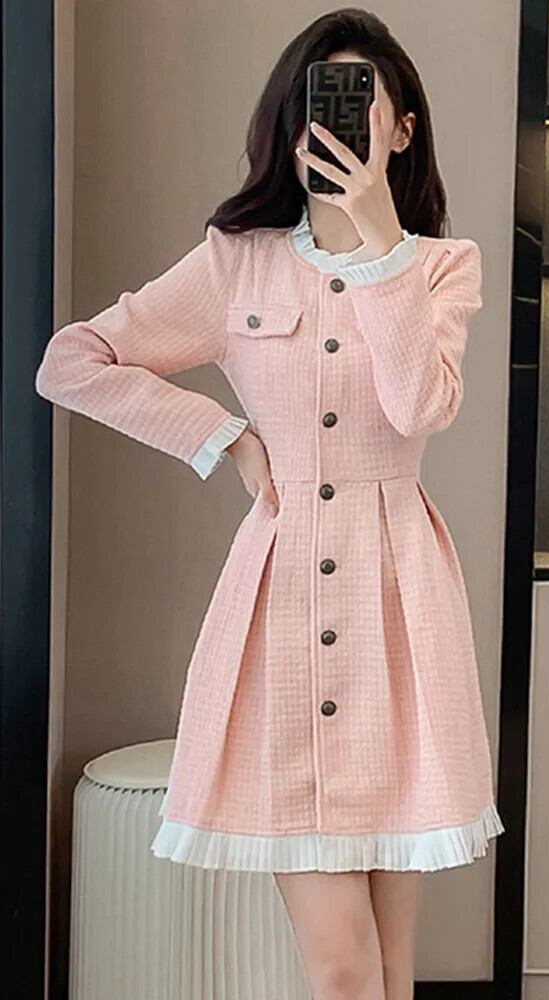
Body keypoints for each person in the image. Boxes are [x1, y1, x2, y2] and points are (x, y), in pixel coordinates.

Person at [35, 7, 504, 998]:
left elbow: (421, 406)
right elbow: (70, 361)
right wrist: (226, 439)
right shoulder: (236, 262)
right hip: (283, 617)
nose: (335, 124)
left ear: (403, 128)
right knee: (343, 972)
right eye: (317, 105)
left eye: (360, 103)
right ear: (290, 129)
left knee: (390, 971)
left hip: (400, 620)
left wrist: (380, 241)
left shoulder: (440, 267)